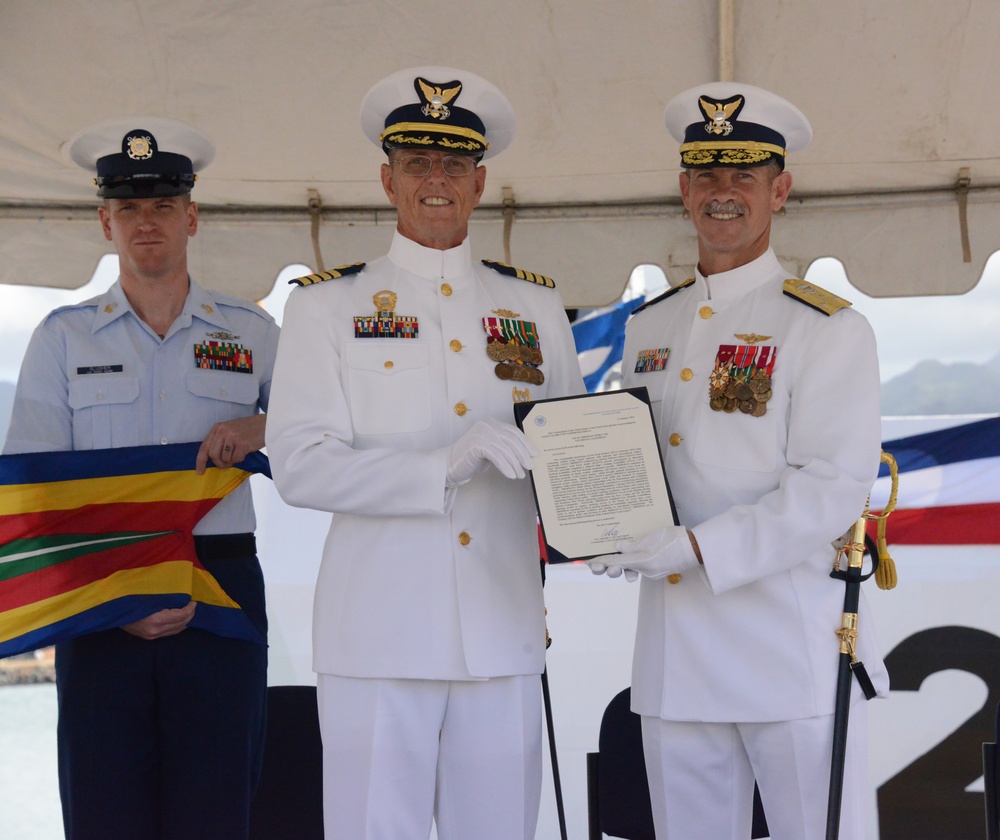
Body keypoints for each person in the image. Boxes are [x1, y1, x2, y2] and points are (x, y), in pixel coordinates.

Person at [264, 66, 584, 840]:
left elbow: (575, 448)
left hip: (501, 628)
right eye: (416, 163)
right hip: (377, 634)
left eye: (452, 165)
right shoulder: (325, 305)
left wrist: (614, 519)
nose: (434, 180)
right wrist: (439, 464)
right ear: (386, 179)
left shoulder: (534, 306)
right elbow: (299, 463)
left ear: (479, 183)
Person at [588, 82, 889, 839]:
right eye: (707, 176)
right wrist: (596, 513)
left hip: (785, 653)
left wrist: (691, 547)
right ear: (685, 189)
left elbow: (830, 489)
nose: (724, 194)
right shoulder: (649, 326)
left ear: (779, 190)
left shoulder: (826, 328)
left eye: (744, 177)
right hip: (675, 657)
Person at [4, 117, 278, 839]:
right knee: (104, 818)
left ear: (191, 217)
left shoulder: (251, 333)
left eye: (162, 206)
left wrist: (261, 429)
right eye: (128, 207)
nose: (145, 222)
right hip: (99, 607)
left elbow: (320, 444)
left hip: (219, 590)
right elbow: (34, 496)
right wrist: (113, 602)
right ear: (104, 222)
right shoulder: (61, 339)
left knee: (217, 816)